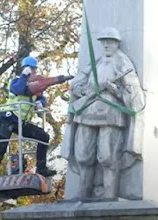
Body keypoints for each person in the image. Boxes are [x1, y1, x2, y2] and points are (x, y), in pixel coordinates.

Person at [62, 27, 145, 199]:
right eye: (103, 42)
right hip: (86, 113)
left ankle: (110, 196)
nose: (106, 45)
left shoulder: (123, 64)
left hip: (111, 115)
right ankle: (83, 195)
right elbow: (76, 85)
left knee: (108, 157)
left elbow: (134, 93)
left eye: (110, 42)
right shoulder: (95, 62)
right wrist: (86, 90)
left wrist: (115, 90)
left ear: (117, 43)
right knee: (83, 155)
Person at [0, 56, 56, 177]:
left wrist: (41, 103)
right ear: (24, 69)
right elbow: (18, 89)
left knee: (43, 136)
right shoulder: (15, 81)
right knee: (0, 149)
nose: (32, 71)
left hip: (21, 122)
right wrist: (24, 76)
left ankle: (41, 168)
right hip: (8, 119)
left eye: (34, 69)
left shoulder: (36, 85)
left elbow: (41, 97)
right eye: (30, 69)